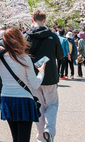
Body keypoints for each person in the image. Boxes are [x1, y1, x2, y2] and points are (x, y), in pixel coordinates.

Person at [0, 28, 46, 142]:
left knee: (15, 137)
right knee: (23, 138)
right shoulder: (24, 58)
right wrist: (41, 72)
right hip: (23, 99)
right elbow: (35, 84)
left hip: (6, 98)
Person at [24, 9, 63, 142]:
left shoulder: (27, 37)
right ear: (45, 20)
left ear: (32, 20)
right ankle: (49, 130)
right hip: (50, 75)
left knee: (38, 106)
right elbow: (60, 55)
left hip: (33, 76)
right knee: (52, 104)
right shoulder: (53, 36)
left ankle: (41, 137)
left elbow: (23, 56)